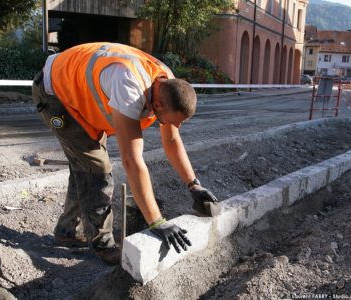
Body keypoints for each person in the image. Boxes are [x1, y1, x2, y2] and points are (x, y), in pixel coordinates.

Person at [32, 42, 219, 266]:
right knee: (98, 170)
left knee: (85, 164)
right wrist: (157, 222)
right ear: (158, 105)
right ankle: (103, 245)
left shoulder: (167, 81)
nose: (175, 127)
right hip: (55, 95)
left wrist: (194, 185)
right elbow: (132, 160)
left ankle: (67, 230)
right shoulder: (129, 87)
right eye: (173, 121)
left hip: (76, 94)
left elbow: (171, 140)